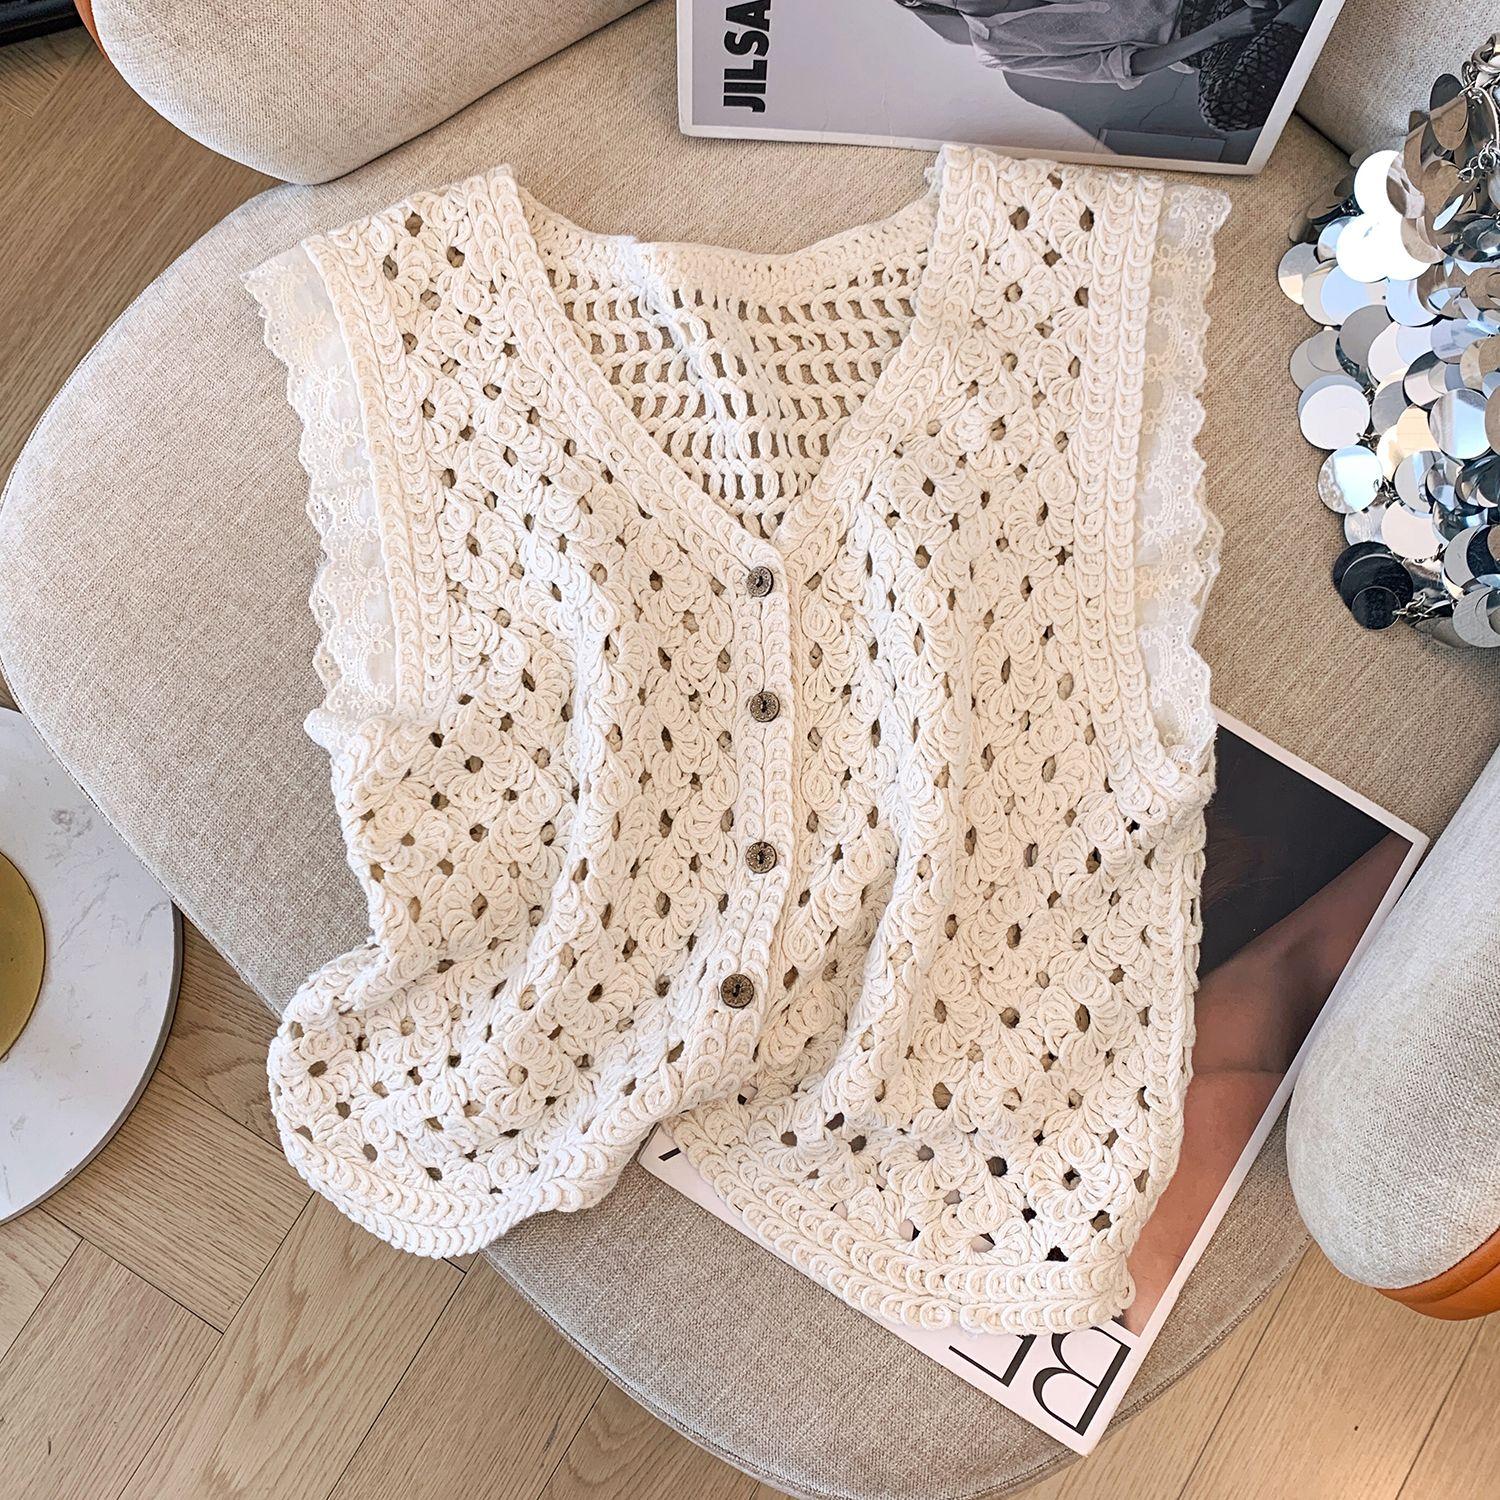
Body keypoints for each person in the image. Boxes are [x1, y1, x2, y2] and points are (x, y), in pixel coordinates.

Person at [894, 0, 1321, 89]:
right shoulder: (998, 50)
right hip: (1194, 39)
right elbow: (1121, 66)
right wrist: (1222, 31)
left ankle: (1292, 15)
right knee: (1223, 108)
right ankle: (1296, 13)